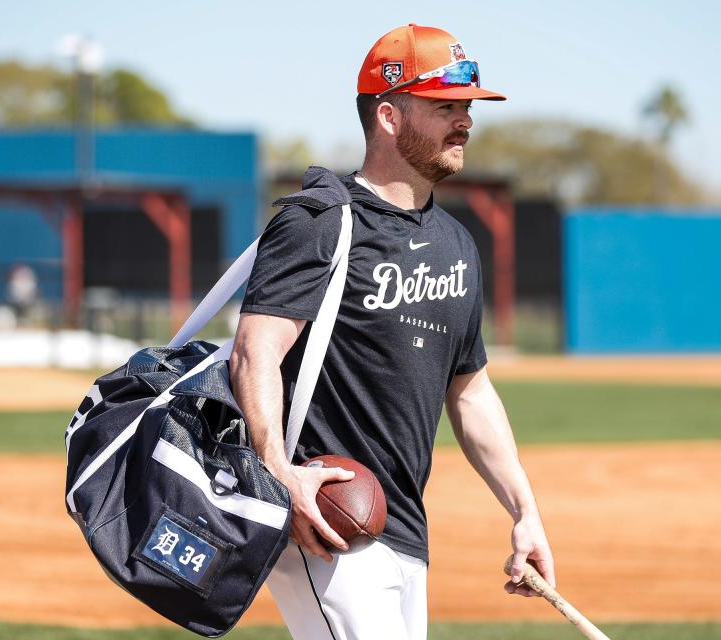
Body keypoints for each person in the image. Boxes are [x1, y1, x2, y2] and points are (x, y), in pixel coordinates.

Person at [230, 23, 554, 640]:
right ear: (388, 114)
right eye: (445, 107)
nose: (464, 122)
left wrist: (525, 512)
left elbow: (472, 392)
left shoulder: (457, 243)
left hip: (405, 523)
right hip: (327, 520)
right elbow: (254, 354)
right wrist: (280, 474)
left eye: (466, 108)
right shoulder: (320, 223)